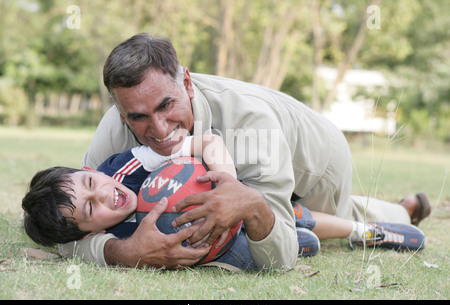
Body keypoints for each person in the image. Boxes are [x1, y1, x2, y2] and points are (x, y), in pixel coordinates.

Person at [65, 33, 431, 270]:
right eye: (139, 117)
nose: (158, 130)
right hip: (266, 155)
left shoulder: (249, 122)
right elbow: (67, 221)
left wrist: (255, 207)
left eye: (166, 106)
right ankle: (406, 208)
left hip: (316, 159)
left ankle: (400, 214)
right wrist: (122, 253)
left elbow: (281, 257)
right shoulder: (116, 125)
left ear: (187, 83)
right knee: (306, 215)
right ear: (118, 109)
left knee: (331, 213)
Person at [22, 134, 426, 272]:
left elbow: (206, 142)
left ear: (90, 169)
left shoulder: (127, 164)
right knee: (259, 255)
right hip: (224, 248)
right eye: (92, 209)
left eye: (92, 182)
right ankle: (294, 243)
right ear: (88, 229)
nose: (105, 194)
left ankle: (362, 231)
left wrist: (228, 184)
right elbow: (66, 245)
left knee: (297, 215)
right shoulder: (99, 237)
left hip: (234, 202)